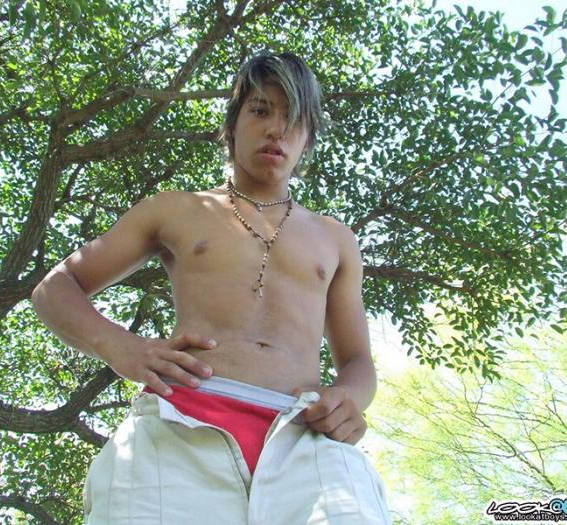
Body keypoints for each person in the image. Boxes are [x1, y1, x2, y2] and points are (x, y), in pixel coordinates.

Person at [31, 51, 393, 524]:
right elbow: (55, 288)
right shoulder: (176, 209)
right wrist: (121, 346)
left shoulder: (336, 238)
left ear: (308, 140)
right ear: (232, 124)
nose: (276, 130)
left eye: (294, 120)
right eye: (261, 110)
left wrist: (349, 398)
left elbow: (358, 362)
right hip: (179, 427)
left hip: (309, 437)